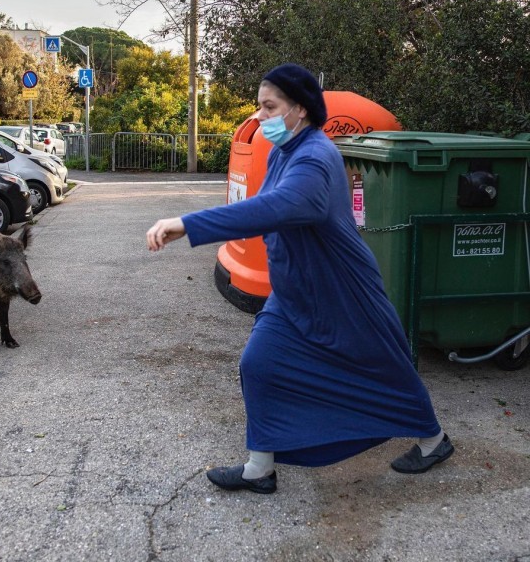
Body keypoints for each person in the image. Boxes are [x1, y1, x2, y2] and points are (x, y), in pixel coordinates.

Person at [146, 63, 454, 494]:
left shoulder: (316, 158)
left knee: (386, 368)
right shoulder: (284, 151)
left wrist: (188, 224)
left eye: (269, 107)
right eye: (258, 106)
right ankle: (260, 467)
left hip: (342, 291)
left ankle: (433, 439)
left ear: (301, 110)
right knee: (259, 364)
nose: (259, 117)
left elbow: (279, 208)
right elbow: (269, 207)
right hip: (293, 292)